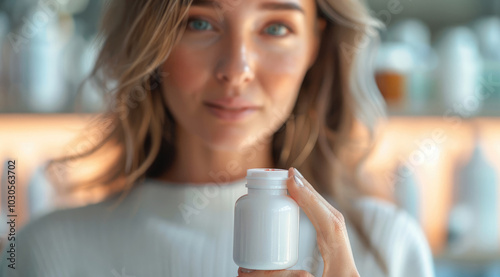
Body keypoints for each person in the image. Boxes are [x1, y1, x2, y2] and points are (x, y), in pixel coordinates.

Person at [0, 0, 435, 276]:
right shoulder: (45, 252)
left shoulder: (387, 247)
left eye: (276, 27)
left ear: (315, 44)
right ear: (153, 42)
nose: (236, 67)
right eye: (200, 23)